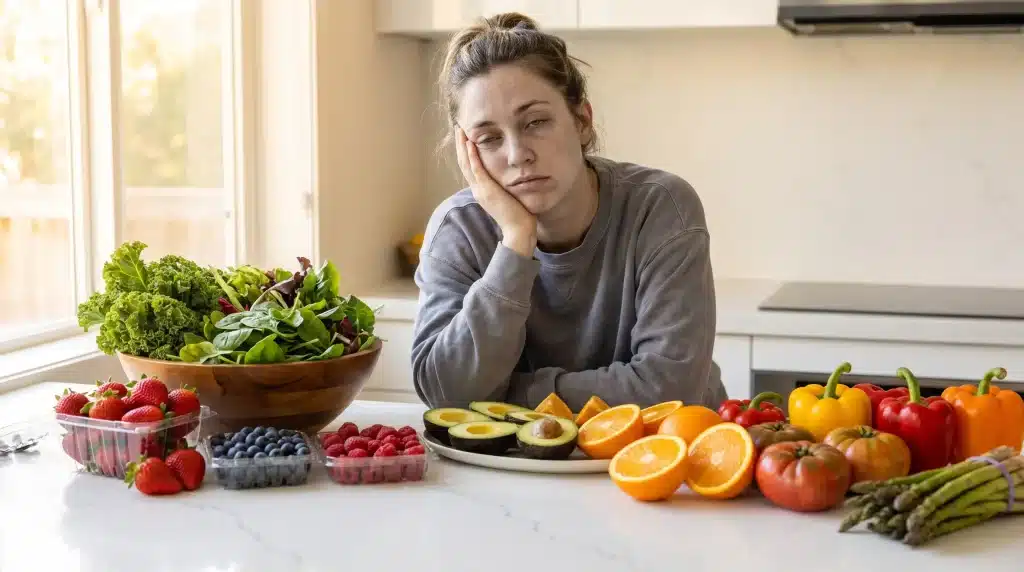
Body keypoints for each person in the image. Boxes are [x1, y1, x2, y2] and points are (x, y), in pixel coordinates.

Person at [410, 12, 725, 413]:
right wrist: (515, 243)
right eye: (488, 138)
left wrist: (506, 397)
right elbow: (445, 394)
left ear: (581, 121)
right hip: (519, 467)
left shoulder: (660, 207)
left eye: (536, 122)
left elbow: (668, 390)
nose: (517, 154)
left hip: (659, 456)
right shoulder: (458, 229)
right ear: (467, 150)